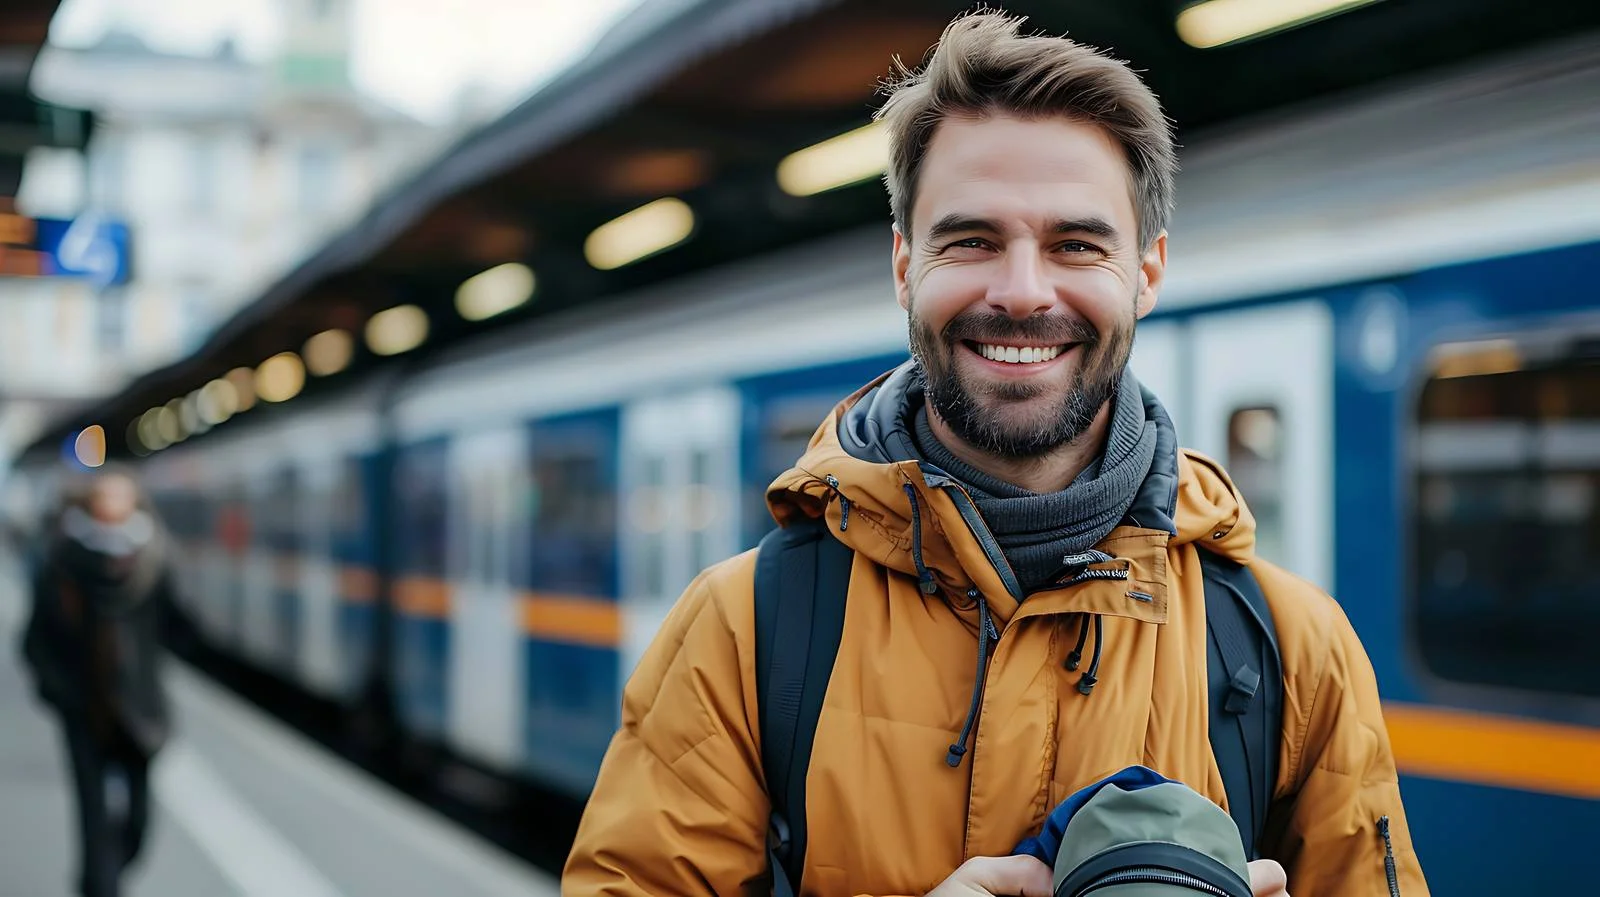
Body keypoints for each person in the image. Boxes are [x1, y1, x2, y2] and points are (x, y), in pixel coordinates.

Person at [563, 11, 1427, 897]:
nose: (1021, 292)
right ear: (906, 265)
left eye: (1076, 244)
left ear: (1148, 271)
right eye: (972, 240)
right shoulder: (742, 631)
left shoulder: (1294, 649)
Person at [20, 469, 174, 897]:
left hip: (140, 709)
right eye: (106, 498)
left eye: (121, 498)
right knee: (91, 814)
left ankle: (104, 877)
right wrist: (61, 694)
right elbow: (34, 640)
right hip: (84, 708)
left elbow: (176, 624)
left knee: (139, 819)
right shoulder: (63, 561)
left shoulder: (152, 558)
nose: (114, 507)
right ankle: (99, 887)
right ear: (90, 505)